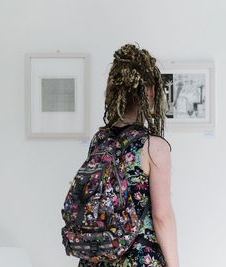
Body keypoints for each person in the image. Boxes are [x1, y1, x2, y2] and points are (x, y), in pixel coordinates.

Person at [78, 43, 179, 267]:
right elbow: (162, 217)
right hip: (139, 260)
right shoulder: (154, 147)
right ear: (150, 91)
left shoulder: (100, 141)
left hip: (98, 258)